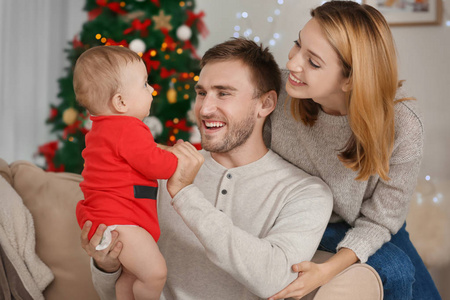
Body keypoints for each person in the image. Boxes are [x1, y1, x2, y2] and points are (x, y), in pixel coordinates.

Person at [81, 38, 333, 299]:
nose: (205, 108)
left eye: (223, 93)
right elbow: (111, 293)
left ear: (266, 104)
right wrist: (107, 266)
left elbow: (276, 281)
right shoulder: (153, 172)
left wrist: (185, 194)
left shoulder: (306, 193)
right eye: (201, 93)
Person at [265, 1, 441, 300]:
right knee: (397, 268)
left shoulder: (403, 125)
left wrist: (328, 270)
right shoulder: (277, 91)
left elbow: (381, 220)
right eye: (298, 44)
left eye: (314, 62)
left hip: (367, 219)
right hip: (301, 217)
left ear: (349, 79)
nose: (293, 63)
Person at [73, 45, 190, 300]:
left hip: (108, 218)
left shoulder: (99, 132)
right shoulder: (128, 128)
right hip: (121, 220)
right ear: (121, 102)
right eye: (145, 84)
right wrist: (176, 157)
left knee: (131, 278)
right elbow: (156, 165)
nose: (152, 89)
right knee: (156, 273)